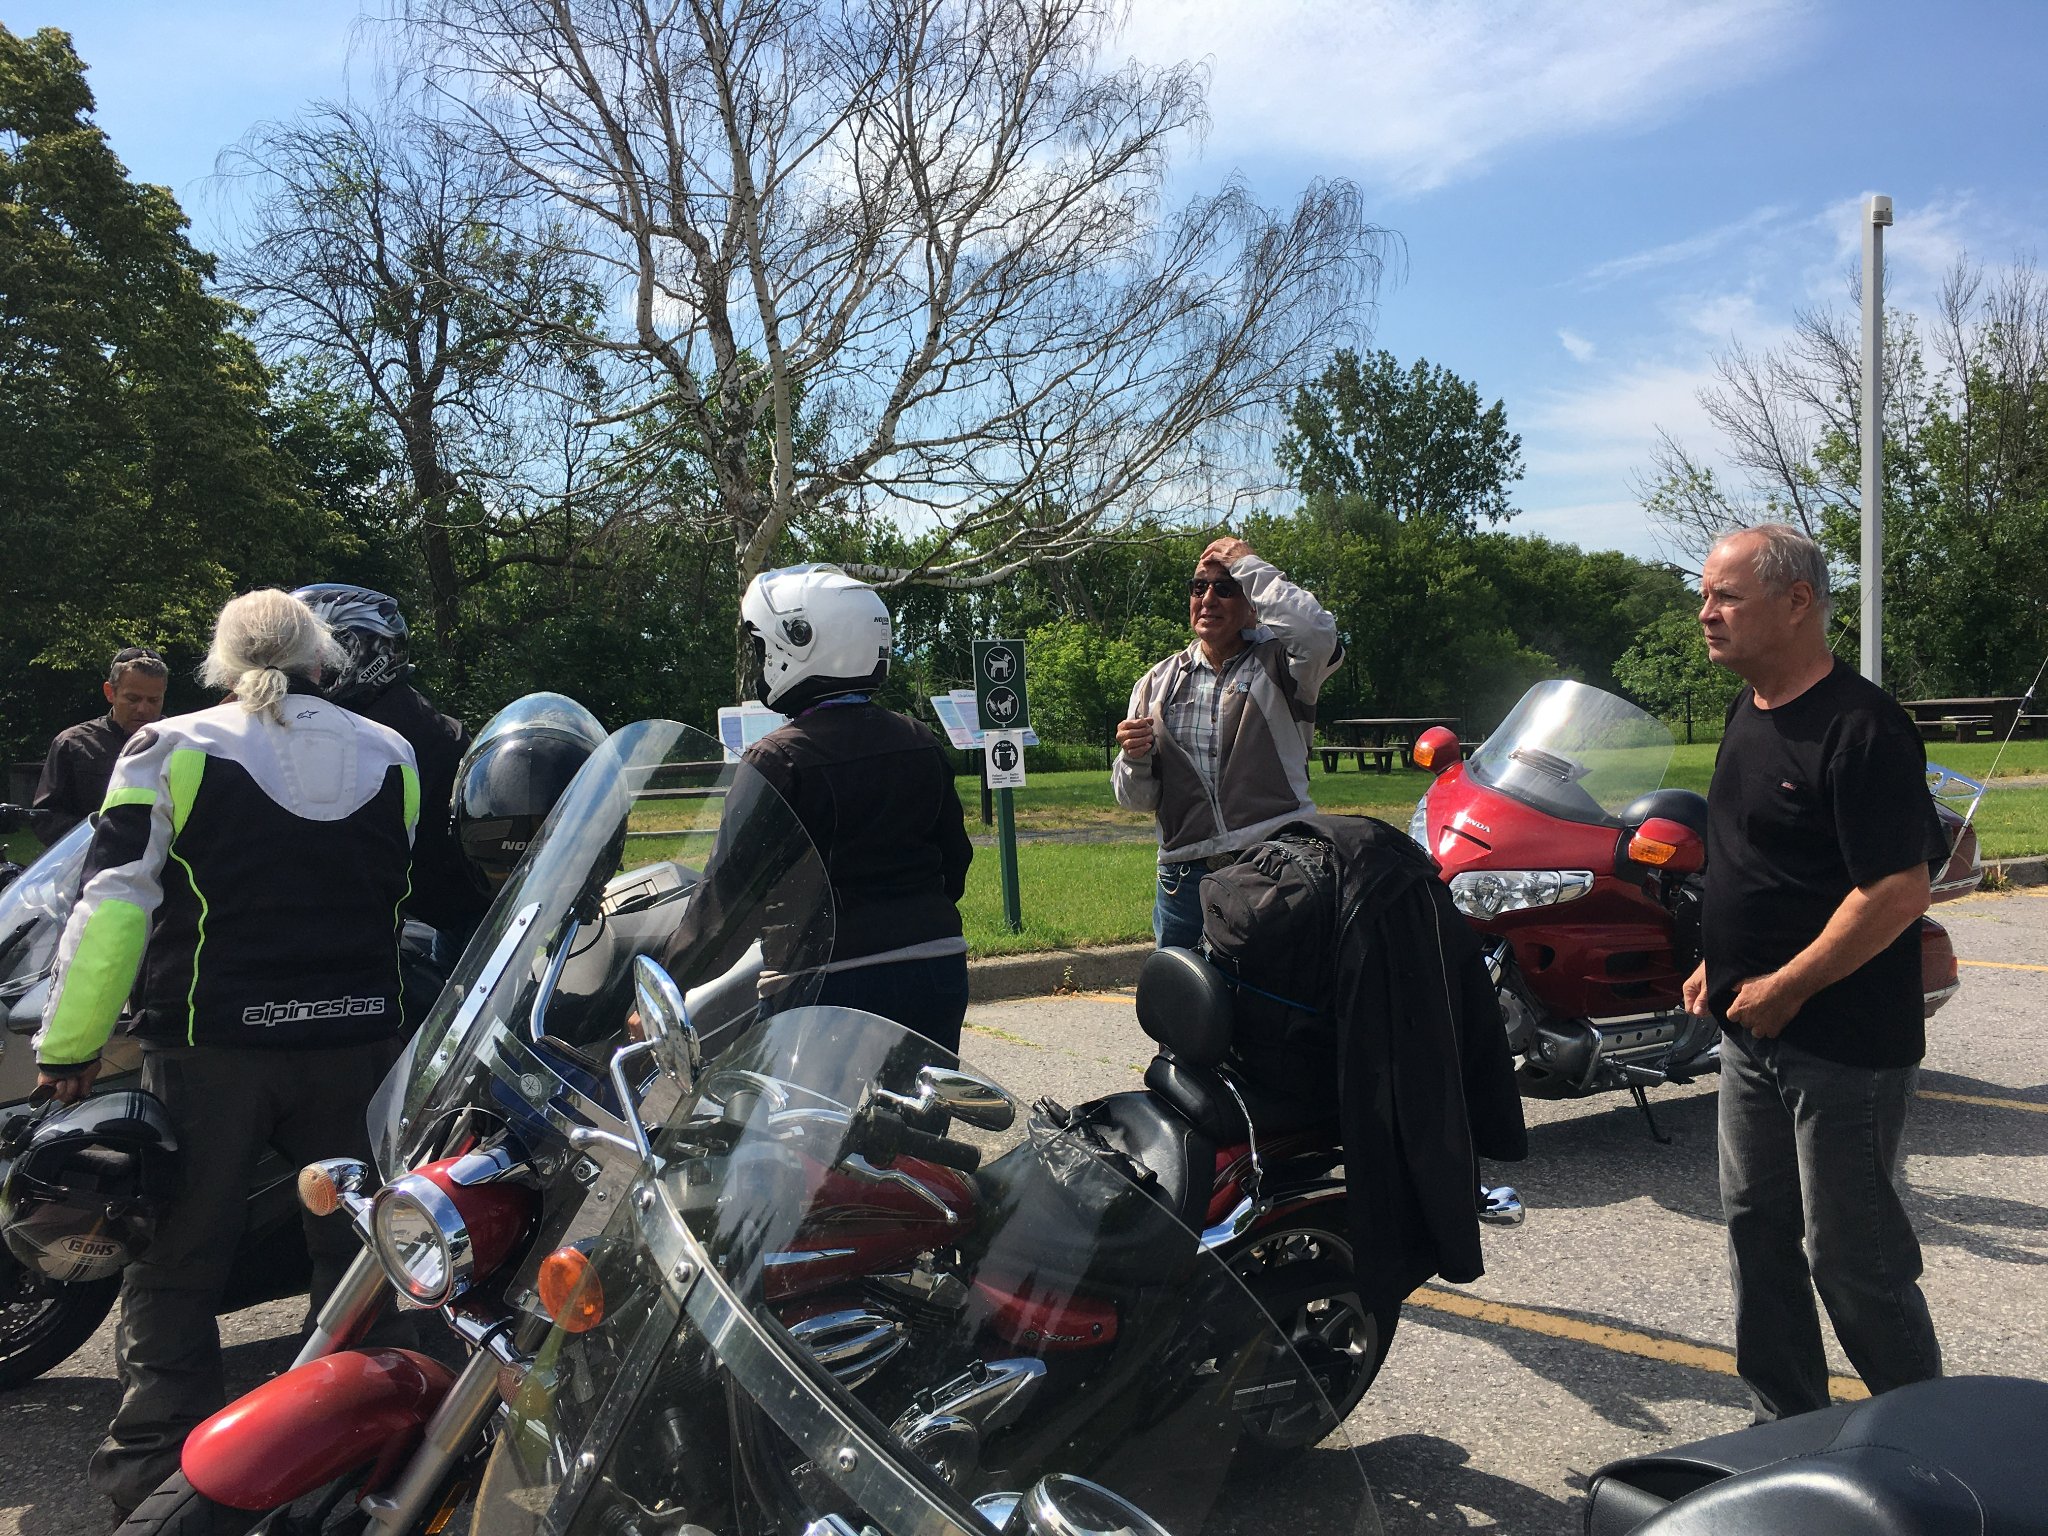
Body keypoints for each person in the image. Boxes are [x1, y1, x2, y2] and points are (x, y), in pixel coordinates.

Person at [34, 589, 419, 1515]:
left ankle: (152, 1475)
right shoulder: (392, 753)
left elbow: (113, 902)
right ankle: (347, 1459)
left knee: (176, 1261)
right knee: (351, 1256)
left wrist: (72, 1043)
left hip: (213, 1044)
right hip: (357, 1037)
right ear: (321, 660)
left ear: (220, 660)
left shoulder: (167, 745)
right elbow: (393, 891)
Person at [1681, 522, 1948, 1423]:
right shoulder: (1746, 713)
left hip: (1842, 1046)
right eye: (1705, 595)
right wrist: (1718, 959)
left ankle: (1932, 1440)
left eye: (1726, 596)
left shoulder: (1863, 728)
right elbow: (1757, 859)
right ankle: (1784, 1428)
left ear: (1798, 602)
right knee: (1756, 1231)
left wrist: (1788, 985)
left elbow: (1897, 890)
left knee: (1853, 1259)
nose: (1706, 612)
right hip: (1749, 1030)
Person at [738, 563, 974, 1054]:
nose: (760, 661)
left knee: (785, 1105)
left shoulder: (776, 759)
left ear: (798, 641)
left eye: (762, 647)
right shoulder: (920, 740)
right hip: (934, 970)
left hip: (820, 981)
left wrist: (670, 974)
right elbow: (955, 860)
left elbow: (728, 895)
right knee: (916, 1103)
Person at [1112, 536, 1342, 950]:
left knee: (1273, 991)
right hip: (1183, 884)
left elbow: (1317, 633)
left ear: (1251, 603)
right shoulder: (1156, 683)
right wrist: (1135, 758)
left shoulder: (1283, 665)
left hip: (1272, 868)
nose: (1208, 599)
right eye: (1199, 587)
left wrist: (1247, 563)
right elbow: (1138, 800)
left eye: (1225, 587)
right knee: (1182, 993)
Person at [293, 583, 492, 941]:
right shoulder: (397, 710)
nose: (312, 669)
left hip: (445, 923)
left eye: (321, 654)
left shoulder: (387, 732)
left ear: (363, 653)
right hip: (440, 911)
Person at [29, 646, 170, 844]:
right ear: (110, 692)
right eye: (133, 699)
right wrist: (103, 836)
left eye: (153, 700)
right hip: (95, 857)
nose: (143, 708)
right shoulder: (74, 744)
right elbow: (47, 818)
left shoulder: (178, 742)